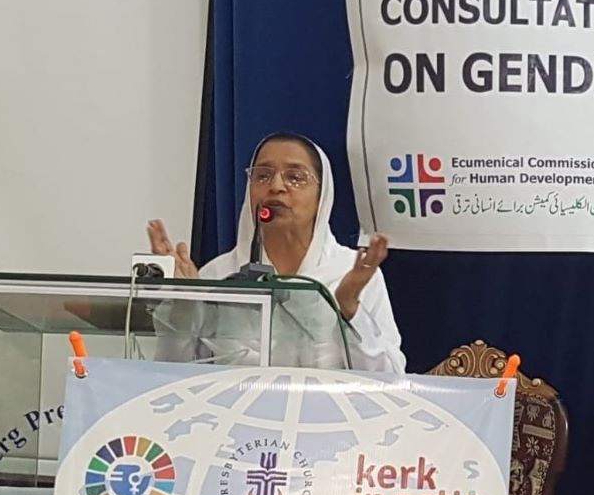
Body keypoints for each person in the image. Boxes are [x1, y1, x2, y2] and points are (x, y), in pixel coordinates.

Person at [146, 132, 405, 373]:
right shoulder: (219, 275)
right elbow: (174, 376)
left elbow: (391, 377)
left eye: (295, 177)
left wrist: (349, 309)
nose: (276, 186)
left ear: (322, 198)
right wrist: (183, 309)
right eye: (263, 176)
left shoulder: (351, 272)